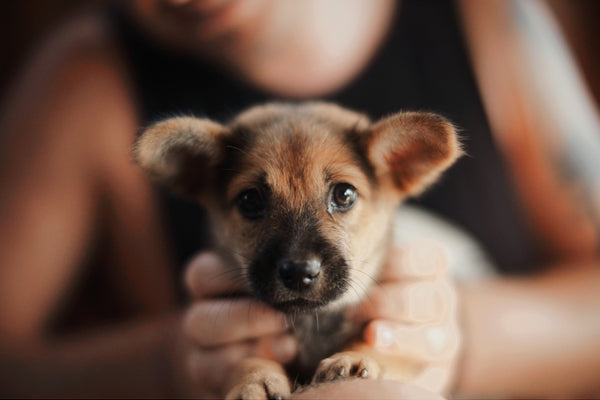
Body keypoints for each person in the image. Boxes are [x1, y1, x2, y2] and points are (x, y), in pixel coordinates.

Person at [0, 0, 598, 398]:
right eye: (254, 204)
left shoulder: (488, 16)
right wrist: (174, 361)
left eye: (342, 196)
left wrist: (450, 342)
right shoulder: (86, 80)